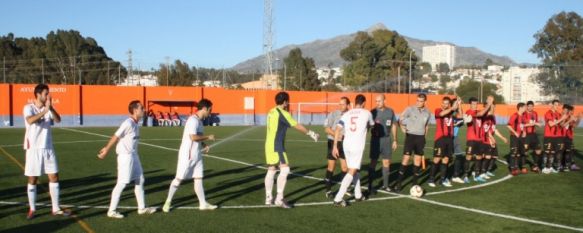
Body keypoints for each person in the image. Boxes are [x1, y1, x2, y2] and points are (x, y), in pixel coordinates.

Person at [98, 100, 157, 219]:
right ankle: (112, 211)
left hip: (134, 156)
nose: (144, 110)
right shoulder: (128, 123)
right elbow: (116, 136)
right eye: (141, 108)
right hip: (125, 157)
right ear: (135, 110)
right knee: (122, 183)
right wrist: (106, 149)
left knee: (140, 179)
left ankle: (142, 208)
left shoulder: (136, 123)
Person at [264, 92, 319, 208]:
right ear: (285, 102)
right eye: (287, 101)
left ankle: (268, 197)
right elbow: (297, 125)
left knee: (272, 170)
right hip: (276, 145)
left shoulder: (271, 111)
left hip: (268, 144)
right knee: (285, 169)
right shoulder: (282, 113)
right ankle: (279, 198)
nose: (288, 103)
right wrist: (311, 133)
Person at [23, 84, 70, 219]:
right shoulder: (28, 108)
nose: (48, 96)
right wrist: (45, 111)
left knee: (54, 176)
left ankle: (55, 208)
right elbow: (30, 120)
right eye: (45, 94)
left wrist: (51, 108)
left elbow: (58, 119)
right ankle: (32, 209)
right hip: (33, 149)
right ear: (38, 94)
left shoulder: (48, 108)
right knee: (32, 179)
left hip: (48, 148)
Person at [162, 99, 218, 212]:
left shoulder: (200, 122)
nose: (210, 112)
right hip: (187, 155)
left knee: (198, 178)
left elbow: (198, 137)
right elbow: (192, 137)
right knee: (179, 179)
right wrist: (208, 137)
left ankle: (202, 204)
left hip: (197, 155)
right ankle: (168, 201)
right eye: (210, 110)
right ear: (204, 108)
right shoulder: (193, 120)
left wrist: (204, 145)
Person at [332, 94, 374, 207]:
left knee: (355, 170)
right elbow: (372, 126)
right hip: (357, 145)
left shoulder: (347, 113)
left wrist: (335, 145)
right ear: (364, 103)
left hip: (346, 145)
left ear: (355, 103)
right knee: (352, 171)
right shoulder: (367, 113)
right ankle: (338, 198)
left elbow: (337, 129)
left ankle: (358, 194)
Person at [394, 93, 431, 192]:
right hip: (410, 137)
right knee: (406, 159)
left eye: (421, 101)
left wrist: (424, 137)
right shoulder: (410, 109)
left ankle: (414, 184)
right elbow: (400, 119)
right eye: (417, 100)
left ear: (425, 102)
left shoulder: (428, 112)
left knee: (417, 161)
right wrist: (402, 128)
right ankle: (399, 184)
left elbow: (426, 126)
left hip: (420, 138)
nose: (418, 102)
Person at [367, 94, 398, 194]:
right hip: (375, 140)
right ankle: (370, 186)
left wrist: (395, 140)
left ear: (385, 101)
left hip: (387, 140)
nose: (377, 103)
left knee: (386, 163)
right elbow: (367, 126)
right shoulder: (372, 112)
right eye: (376, 101)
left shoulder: (390, 111)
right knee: (373, 162)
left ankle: (386, 185)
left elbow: (394, 125)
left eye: (379, 101)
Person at [428, 96, 461, 188]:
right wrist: (452, 108)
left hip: (449, 139)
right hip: (440, 139)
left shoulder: (451, 113)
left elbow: (459, 115)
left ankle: (442, 179)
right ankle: (431, 179)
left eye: (447, 103)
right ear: (441, 103)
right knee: (437, 159)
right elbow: (442, 114)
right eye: (444, 103)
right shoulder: (438, 110)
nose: (445, 105)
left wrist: (458, 103)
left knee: (446, 159)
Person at [323, 97, 350, 198]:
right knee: (331, 166)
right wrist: (337, 135)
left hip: (344, 143)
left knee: (345, 167)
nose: (341, 106)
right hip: (332, 142)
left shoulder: (350, 115)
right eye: (340, 104)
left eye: (343, 104)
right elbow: (326, 129)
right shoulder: (333, 114)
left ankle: (344, 188)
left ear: (348, 105)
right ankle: (328, 190)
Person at [462, 96, 493, 183]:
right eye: (473, 104)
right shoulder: (469, 112)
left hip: (479, 140)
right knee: (469, 156)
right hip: (471, 139)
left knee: (479, 157)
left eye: (476, 104)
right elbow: (480, 114)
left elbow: (490, 113)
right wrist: (489, 105)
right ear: (470, 104)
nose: (475, 105)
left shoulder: (479, 111)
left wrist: (490, 103)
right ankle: (465, 176)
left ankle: (476, 175)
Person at [542, 100, 568, 174]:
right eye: (555, 105)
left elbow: (561, 125)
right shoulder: (548, 113)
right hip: (549, 136)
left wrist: (566, 118)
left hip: (556, 136)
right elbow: (551, 124)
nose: (557, 106)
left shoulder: (558, 114)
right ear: (552, 105)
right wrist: (562, 119)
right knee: (547, 151)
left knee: (553, 152)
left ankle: (550, 167)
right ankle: (544, 167)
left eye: (558, 105)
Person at [481, 104, 508, 177]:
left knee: (494, 156)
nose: (494, 108)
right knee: (487, 156)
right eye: (492, 107)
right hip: (485, 139)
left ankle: (487, 170)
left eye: (494, 107)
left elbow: (494, 129)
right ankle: (482, 172)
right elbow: (486, 130)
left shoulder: (493, 117)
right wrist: (491, 139)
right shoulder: (485, 117)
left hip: (490, 139)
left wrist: (502, 137)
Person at [507, 103, 528, 175]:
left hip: (522, 138)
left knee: (522, 153)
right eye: (524, 107)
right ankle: (513, 169)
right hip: (514, 137)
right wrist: (515, 132)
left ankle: (523, 167)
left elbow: (523, 125)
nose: (525, 108)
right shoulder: (514, 115)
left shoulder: (523, 116)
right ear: (520, 108)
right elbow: (508, 125)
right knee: (514, 153)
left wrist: (524, 131)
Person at [523, 101, 543, 172]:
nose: (530, 107)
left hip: (533, 134)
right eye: (529, 106)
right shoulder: (524, 114)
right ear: (526, 106)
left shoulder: (535, 113)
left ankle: (535, 166)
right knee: (524, 151)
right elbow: (524, 124)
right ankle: (523, 166)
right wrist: (536, 123)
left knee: (538, 150)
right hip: (526, 134)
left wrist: (538, 122)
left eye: (532, 106)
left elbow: (535, 122)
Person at [561, 105, 581, 171]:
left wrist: (579, 119)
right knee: (565, 151)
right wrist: (570, 120)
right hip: (563, 136)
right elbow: (563, 126)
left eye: (573, 111)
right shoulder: (564, 116)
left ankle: (571, 164)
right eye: (571, 111)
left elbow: (574, 126)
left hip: (569, 137)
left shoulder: (570, 117)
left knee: (570, 151)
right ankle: (564, 165)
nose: (572, 112)